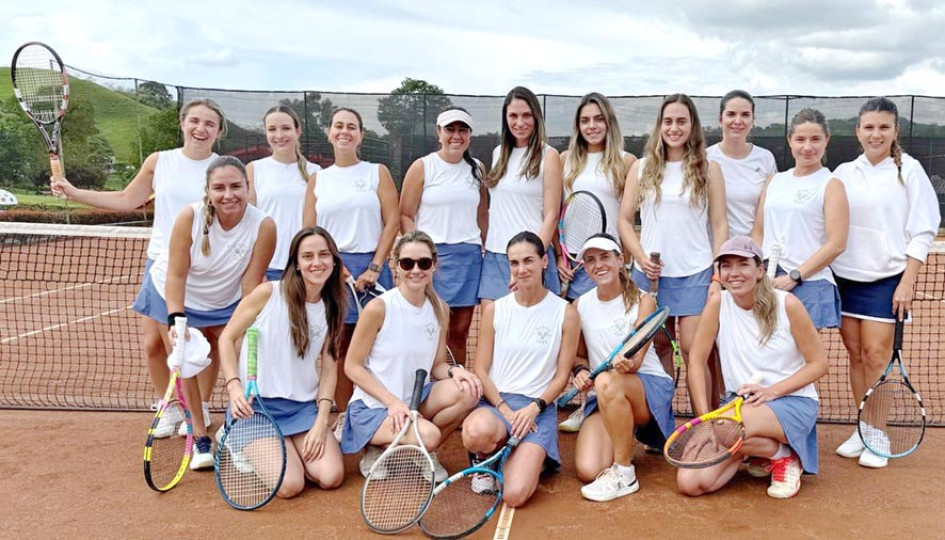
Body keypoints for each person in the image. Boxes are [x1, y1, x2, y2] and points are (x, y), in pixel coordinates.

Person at [50, 99, 226, 418]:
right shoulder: (159, 161)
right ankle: (171, 408)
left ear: (218, 131)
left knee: (204, 343)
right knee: (154, 345)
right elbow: (127, 199)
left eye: (209, 123)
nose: (201, 128)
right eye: (195, 121)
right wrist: (73, 192)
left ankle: (198, 409)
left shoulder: (224, 167)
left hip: (207, 267)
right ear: (183, 124)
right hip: (161, 262)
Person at [142, 155, 275, 468]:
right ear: (208, 190)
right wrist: (177, 321)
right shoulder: (190, 216)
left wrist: (243, 328)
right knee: (184, 356)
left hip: (226, 296)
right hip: (175, 292)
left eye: (235, 186)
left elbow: (251, 282)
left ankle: (237, 427)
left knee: (241, 353)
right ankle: (199, 436)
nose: (228, 194)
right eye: (219, 187)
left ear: (247, 187)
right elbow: (176, 274)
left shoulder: (264, 225)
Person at [831, 97, 941, 468]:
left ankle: (878, 433)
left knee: (877, 358)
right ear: (858, 131)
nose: (875, 134)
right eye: (869, 127)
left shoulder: (909, 171)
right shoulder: (844, 172)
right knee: (855, 355)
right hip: (846, 279)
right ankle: (862, 427)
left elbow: (924, 229)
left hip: (887, 280)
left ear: (895, 131)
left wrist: (907, 281)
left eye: (883, 127)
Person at [677, 236, 827, 499]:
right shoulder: (718, 304)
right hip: (739, 407)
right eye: (726, 266)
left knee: (727, 429)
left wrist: (772, 392)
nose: (734, 273)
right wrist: (704, 421)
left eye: (742, 264)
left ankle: (784, 456)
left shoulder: (787, 304)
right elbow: (697, 362)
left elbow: (819, 364)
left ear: (759, 271)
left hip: (792, 402)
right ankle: (760, 449)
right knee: (690, 481)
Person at [340, 230, 482, 482]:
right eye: (408, 263)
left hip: (416, 401)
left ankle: (422, 452)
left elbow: (437, 365)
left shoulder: (440, 309)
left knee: (469, 389)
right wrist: (392, 402)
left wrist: (454, 371)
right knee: (430, 435)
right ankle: (378, 448)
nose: (416, 270)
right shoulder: (378, 308)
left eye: (424, 263)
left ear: (434, 265)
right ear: (397, 265)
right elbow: (352, 366)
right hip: (375, 408)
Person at [218, 227, 346, 495]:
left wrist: (322, 421)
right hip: (256, 409)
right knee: (290, 485)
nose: (316, 262)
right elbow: (227, 339)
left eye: (324, 255)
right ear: (296, 264)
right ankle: (233, 436)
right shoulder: (269, 293)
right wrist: (234, 388)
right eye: (307, 256)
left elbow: (330, 370)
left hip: (301, 409)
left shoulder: (333, 307)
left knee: (331, 476)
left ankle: (287, 446)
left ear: (334, 261)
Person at [617, 93, 728, 393]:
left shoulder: (709, 168)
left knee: (695, 354)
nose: (674, 128)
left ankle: (703, 430)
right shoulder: (640, 168)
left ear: (692, 126)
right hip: (651, 277)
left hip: (696, 273)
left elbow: (719, 225)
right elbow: (624, 220)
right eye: (668, 121)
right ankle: (662, 431)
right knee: (658, 350)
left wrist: (717, 275)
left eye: (681, 121)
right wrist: (640, 258)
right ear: (659, 125)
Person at [462, 231, 580, 508]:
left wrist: (534, 408)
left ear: (544, 262)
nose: (522, 269)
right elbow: (481, 368)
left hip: (536, 410)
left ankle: (530, 458)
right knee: (475, 432)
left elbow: (562, 375)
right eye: (514, 263)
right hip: (497, 404)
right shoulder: (495, 310)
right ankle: (484, 457)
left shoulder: (567, 314)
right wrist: (504, 409)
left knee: (514, 495)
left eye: (529, 260)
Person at [303, 107, 399, 434]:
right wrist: (337, 266)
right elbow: (309, 231)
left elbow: (392, 222)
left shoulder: (377, 173)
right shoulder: (318, 179)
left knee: (378, 348)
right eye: (338, 126)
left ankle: (380, 414)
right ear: (329, 133)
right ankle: (344, 413)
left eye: (352, 127)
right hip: (330, 271)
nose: (345, 131)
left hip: (373, 272)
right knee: (339, 348)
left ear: (361, 135)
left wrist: (375, 266)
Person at [569, 234, 674, 501]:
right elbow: (579, 356)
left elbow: (636, 362)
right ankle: (622, 442)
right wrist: (581, 372)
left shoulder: (643, 301)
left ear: (620, 260)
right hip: (606, 394)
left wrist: (622, 365)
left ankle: (625, 474)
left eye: (605, 257)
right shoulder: (580, 306)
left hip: (646, 389)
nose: (598, 265)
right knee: (588, 469)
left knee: (606, 380)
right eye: (591, 260)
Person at [400, 107, 487, 366]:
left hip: (469, 257)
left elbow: (482, 214)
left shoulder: (477, 168)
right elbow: (406, 214)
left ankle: (455, 386)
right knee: (428, 329)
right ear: (439, 133)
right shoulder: (422, 167)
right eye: (450, 129)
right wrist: (420, 254)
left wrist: (482, 244)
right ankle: (423, 387)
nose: (456, 135)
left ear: (470, 135)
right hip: (431, 260)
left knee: (459, 332)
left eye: (463, 130)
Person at [751, 108, 849, 330]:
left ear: (827, 140)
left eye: (815, 139)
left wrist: (795, 276)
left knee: (802, 358)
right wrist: (756, 271)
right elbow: (759, 231)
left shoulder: (831, 184)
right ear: (790, 141)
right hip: (768, 280)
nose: (807, 147)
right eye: (800, 139)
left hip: (808, 283)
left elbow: (837, 244)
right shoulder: (774, 181)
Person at [479, 87, 563, 302]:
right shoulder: (498, 153)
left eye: (527, 115)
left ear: (536, 117)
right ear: (505, 119)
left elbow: (552, 215)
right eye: (513, 116)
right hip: (496, 255)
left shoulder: (549, 156)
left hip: (530, 258)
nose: (520, 122)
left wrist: (532, 258)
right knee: (493, 327)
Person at [558, 92, 636, 300]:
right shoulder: (564, 160)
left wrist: (626, 263)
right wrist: (560, 255)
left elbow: (626, 219)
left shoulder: (627, 162)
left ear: (609, 122)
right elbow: (556, 212)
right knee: (575, 329)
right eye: (585, 121)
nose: (592, 126)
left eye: (599, 119)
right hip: (573, 260)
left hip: (608, 260)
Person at [249, 105, 322, 281]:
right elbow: (247, 222)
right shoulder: (254, 169)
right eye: (272, 129)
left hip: (304, 267)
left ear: (298, 131)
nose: (279, 135)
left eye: (286, 128)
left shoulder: (316, 172)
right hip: (266, 267)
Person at [706, 90, 778, 238]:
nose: (738, 121)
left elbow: (768, 212)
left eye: (745, 115)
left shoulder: (765, 158)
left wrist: (753, 251)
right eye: (731, 114)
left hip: (753, 252)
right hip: (712, 253)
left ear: (753, 120)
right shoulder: (705, 158)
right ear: (720, 120)